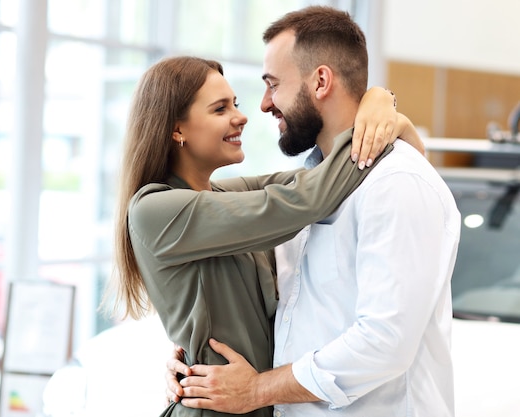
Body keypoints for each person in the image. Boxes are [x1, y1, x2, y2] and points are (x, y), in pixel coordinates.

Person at [166, 6, 461, 417]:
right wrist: (196, 366)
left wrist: (256, 390)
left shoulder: (396, 184)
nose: (265, 104)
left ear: (321, 80)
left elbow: (384, 342)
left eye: (273, 84)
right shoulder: (303, 187)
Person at [110, 53, 422, 417]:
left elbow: (311, 179)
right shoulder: (155, 210)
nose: (241, 116)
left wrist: (384, 107)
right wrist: (379, 115)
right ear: (177, 130)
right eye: (220, 109)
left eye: (235, 104)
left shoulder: (223, 195)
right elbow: (309, 199)